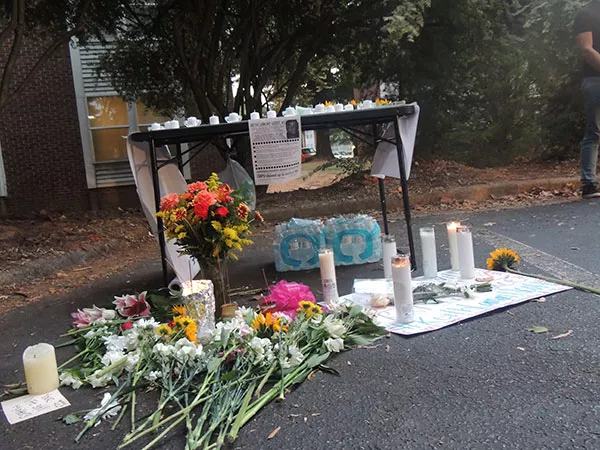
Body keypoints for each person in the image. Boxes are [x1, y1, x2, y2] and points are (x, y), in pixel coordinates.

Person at [575, 1, 600, 198]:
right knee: (594, 131)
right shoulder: (586, 14)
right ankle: (589, 184)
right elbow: (586, 49)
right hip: (595, 79)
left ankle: (589, 183)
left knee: (594, 132)